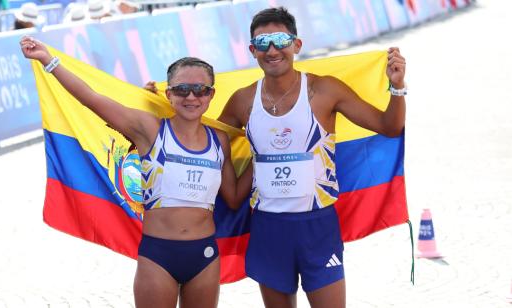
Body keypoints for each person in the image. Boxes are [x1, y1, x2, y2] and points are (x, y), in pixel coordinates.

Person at [20, 36, 252, 308]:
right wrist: (49, 60)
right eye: (182, 89)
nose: (191, 96)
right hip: (158, 256)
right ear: (169, 95)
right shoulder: (149, 129)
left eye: (200, 89)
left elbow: (234, 197)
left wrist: (262, 158)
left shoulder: (220, 140)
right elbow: (91, 99)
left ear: (211, 94)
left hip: (204, 255)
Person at [216, 7, 407, 308]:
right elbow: (207, 137)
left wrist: (397, 87)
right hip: (268, 225)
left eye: (280, 39)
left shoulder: (324, 89)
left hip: (317, 225)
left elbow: (389, 127)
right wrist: (165, 103)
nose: (272, 49)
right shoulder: (242, 99)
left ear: (297, 44)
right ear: (252, 50)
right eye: (263, 43)